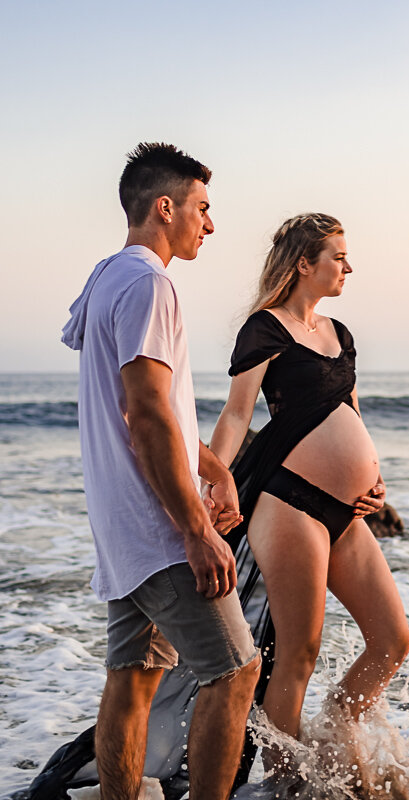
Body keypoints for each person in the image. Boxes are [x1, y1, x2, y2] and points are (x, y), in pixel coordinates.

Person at [56, 143, 260, 800]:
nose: (209, 224)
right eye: (202, 208)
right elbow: (146, 414)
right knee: (235, 672)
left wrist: (213, 467)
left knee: (133, 678)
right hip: (158, 531)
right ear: (164, 208)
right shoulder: (151, 283)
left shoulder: (105, 278)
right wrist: (197, 529)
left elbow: (148, 409)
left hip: (121, 529)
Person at [209, 213, 408, 773]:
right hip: (289, 502)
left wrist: (375, 478)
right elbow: (235, 415)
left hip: (348, 512)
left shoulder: (340, 334)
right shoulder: (265, 328)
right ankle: (285, 780)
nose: (349, 266)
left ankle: (336, 738)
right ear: (305, 264)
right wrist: (214, 481)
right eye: (338, 257)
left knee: (392, 639)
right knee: (296, 653)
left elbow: (350, 414)